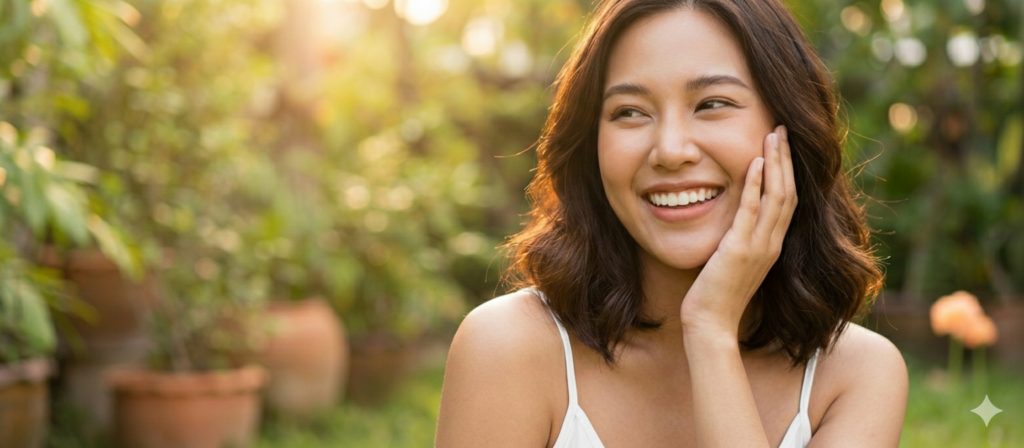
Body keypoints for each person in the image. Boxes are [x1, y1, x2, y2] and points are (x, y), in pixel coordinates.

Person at [435, 0, 909, 446]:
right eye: (630, 112)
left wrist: (710, 331)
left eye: (711, 104)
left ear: (788, 124)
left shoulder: (856, 374)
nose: (671, 150)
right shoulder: (508, 349)